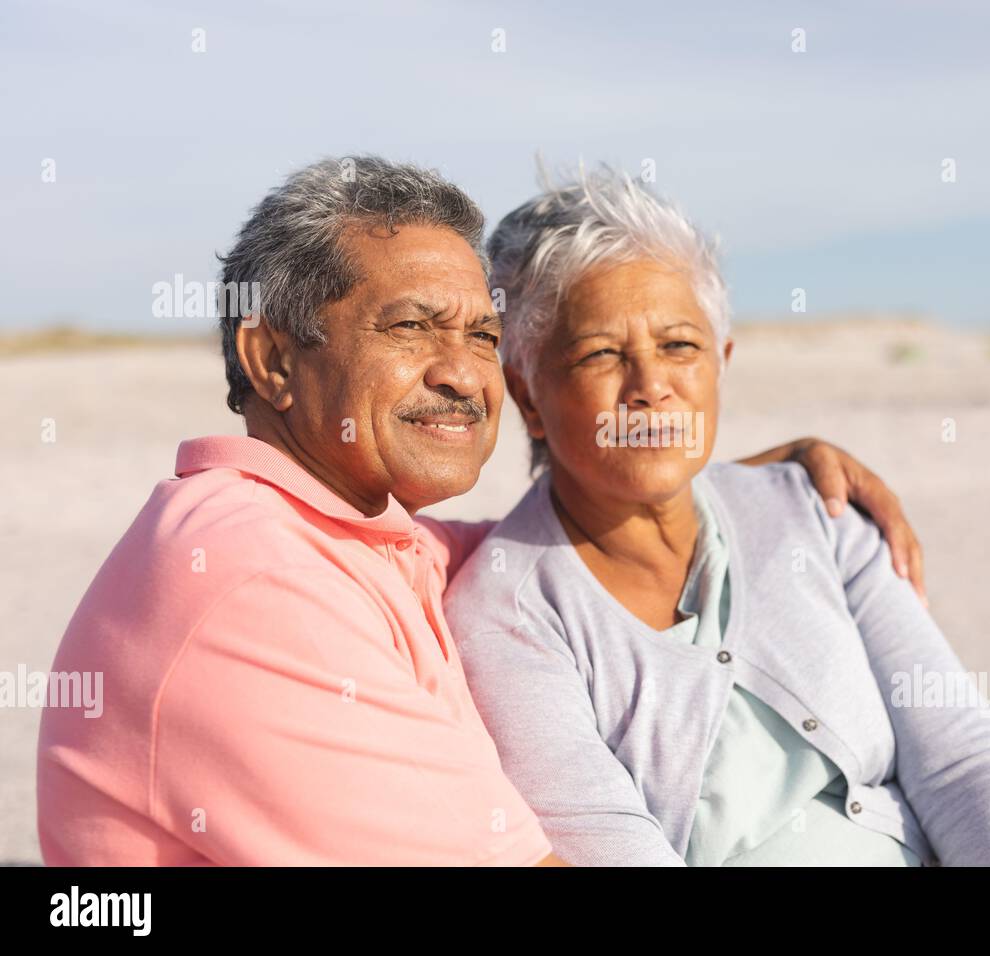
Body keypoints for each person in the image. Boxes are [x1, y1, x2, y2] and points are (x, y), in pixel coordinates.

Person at [37, 156, 923, 866]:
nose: (464, 373)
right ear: (271, 359)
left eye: (484, 336)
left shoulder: (360, 541)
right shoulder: (253, 584)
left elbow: (560, 540)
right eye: (411, 327)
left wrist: (710, 471)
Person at [444, 165, 990, 866]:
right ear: (527, 394)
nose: (651, 387)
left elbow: (966, 765)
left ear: (721, 362)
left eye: (679, 346)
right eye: (600, 355)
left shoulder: (820, 511)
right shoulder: (506, 616)